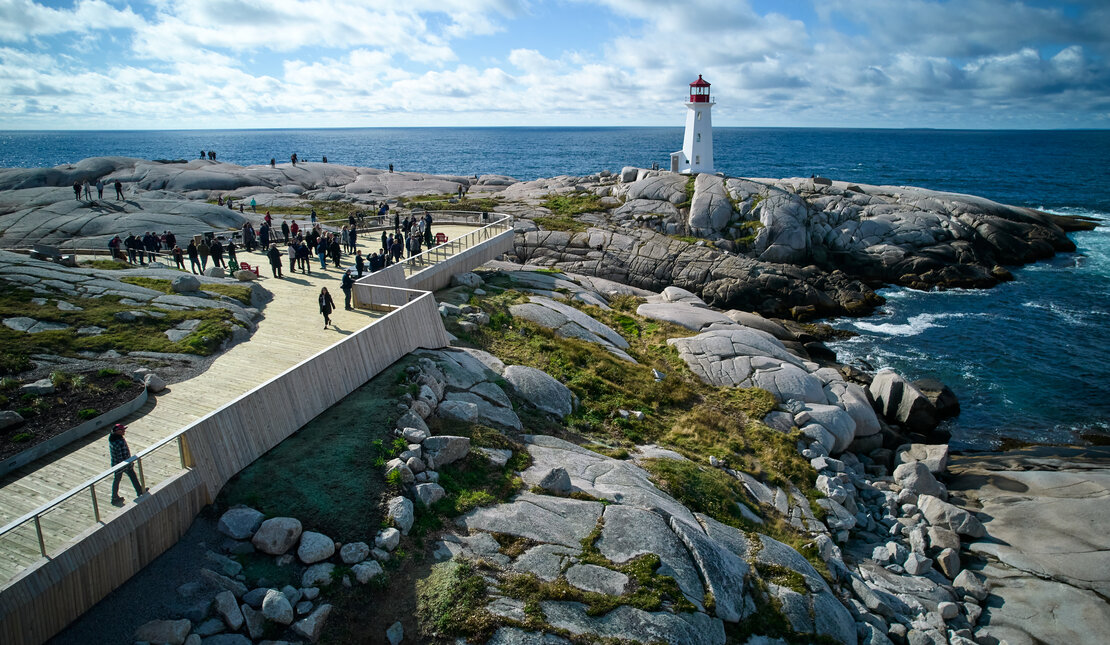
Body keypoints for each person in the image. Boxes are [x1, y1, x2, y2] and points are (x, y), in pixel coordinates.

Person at [109, 424, 146, 506]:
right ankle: (139, 491)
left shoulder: (114, 438)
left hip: (116, 464)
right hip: (122, 465)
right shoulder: (118, 441)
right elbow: (120, 455)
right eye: (122, 430)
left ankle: (114, 497)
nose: (124, 431)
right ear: (117, 431)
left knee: (118, 479)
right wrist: (127, 464)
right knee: (131, 476)